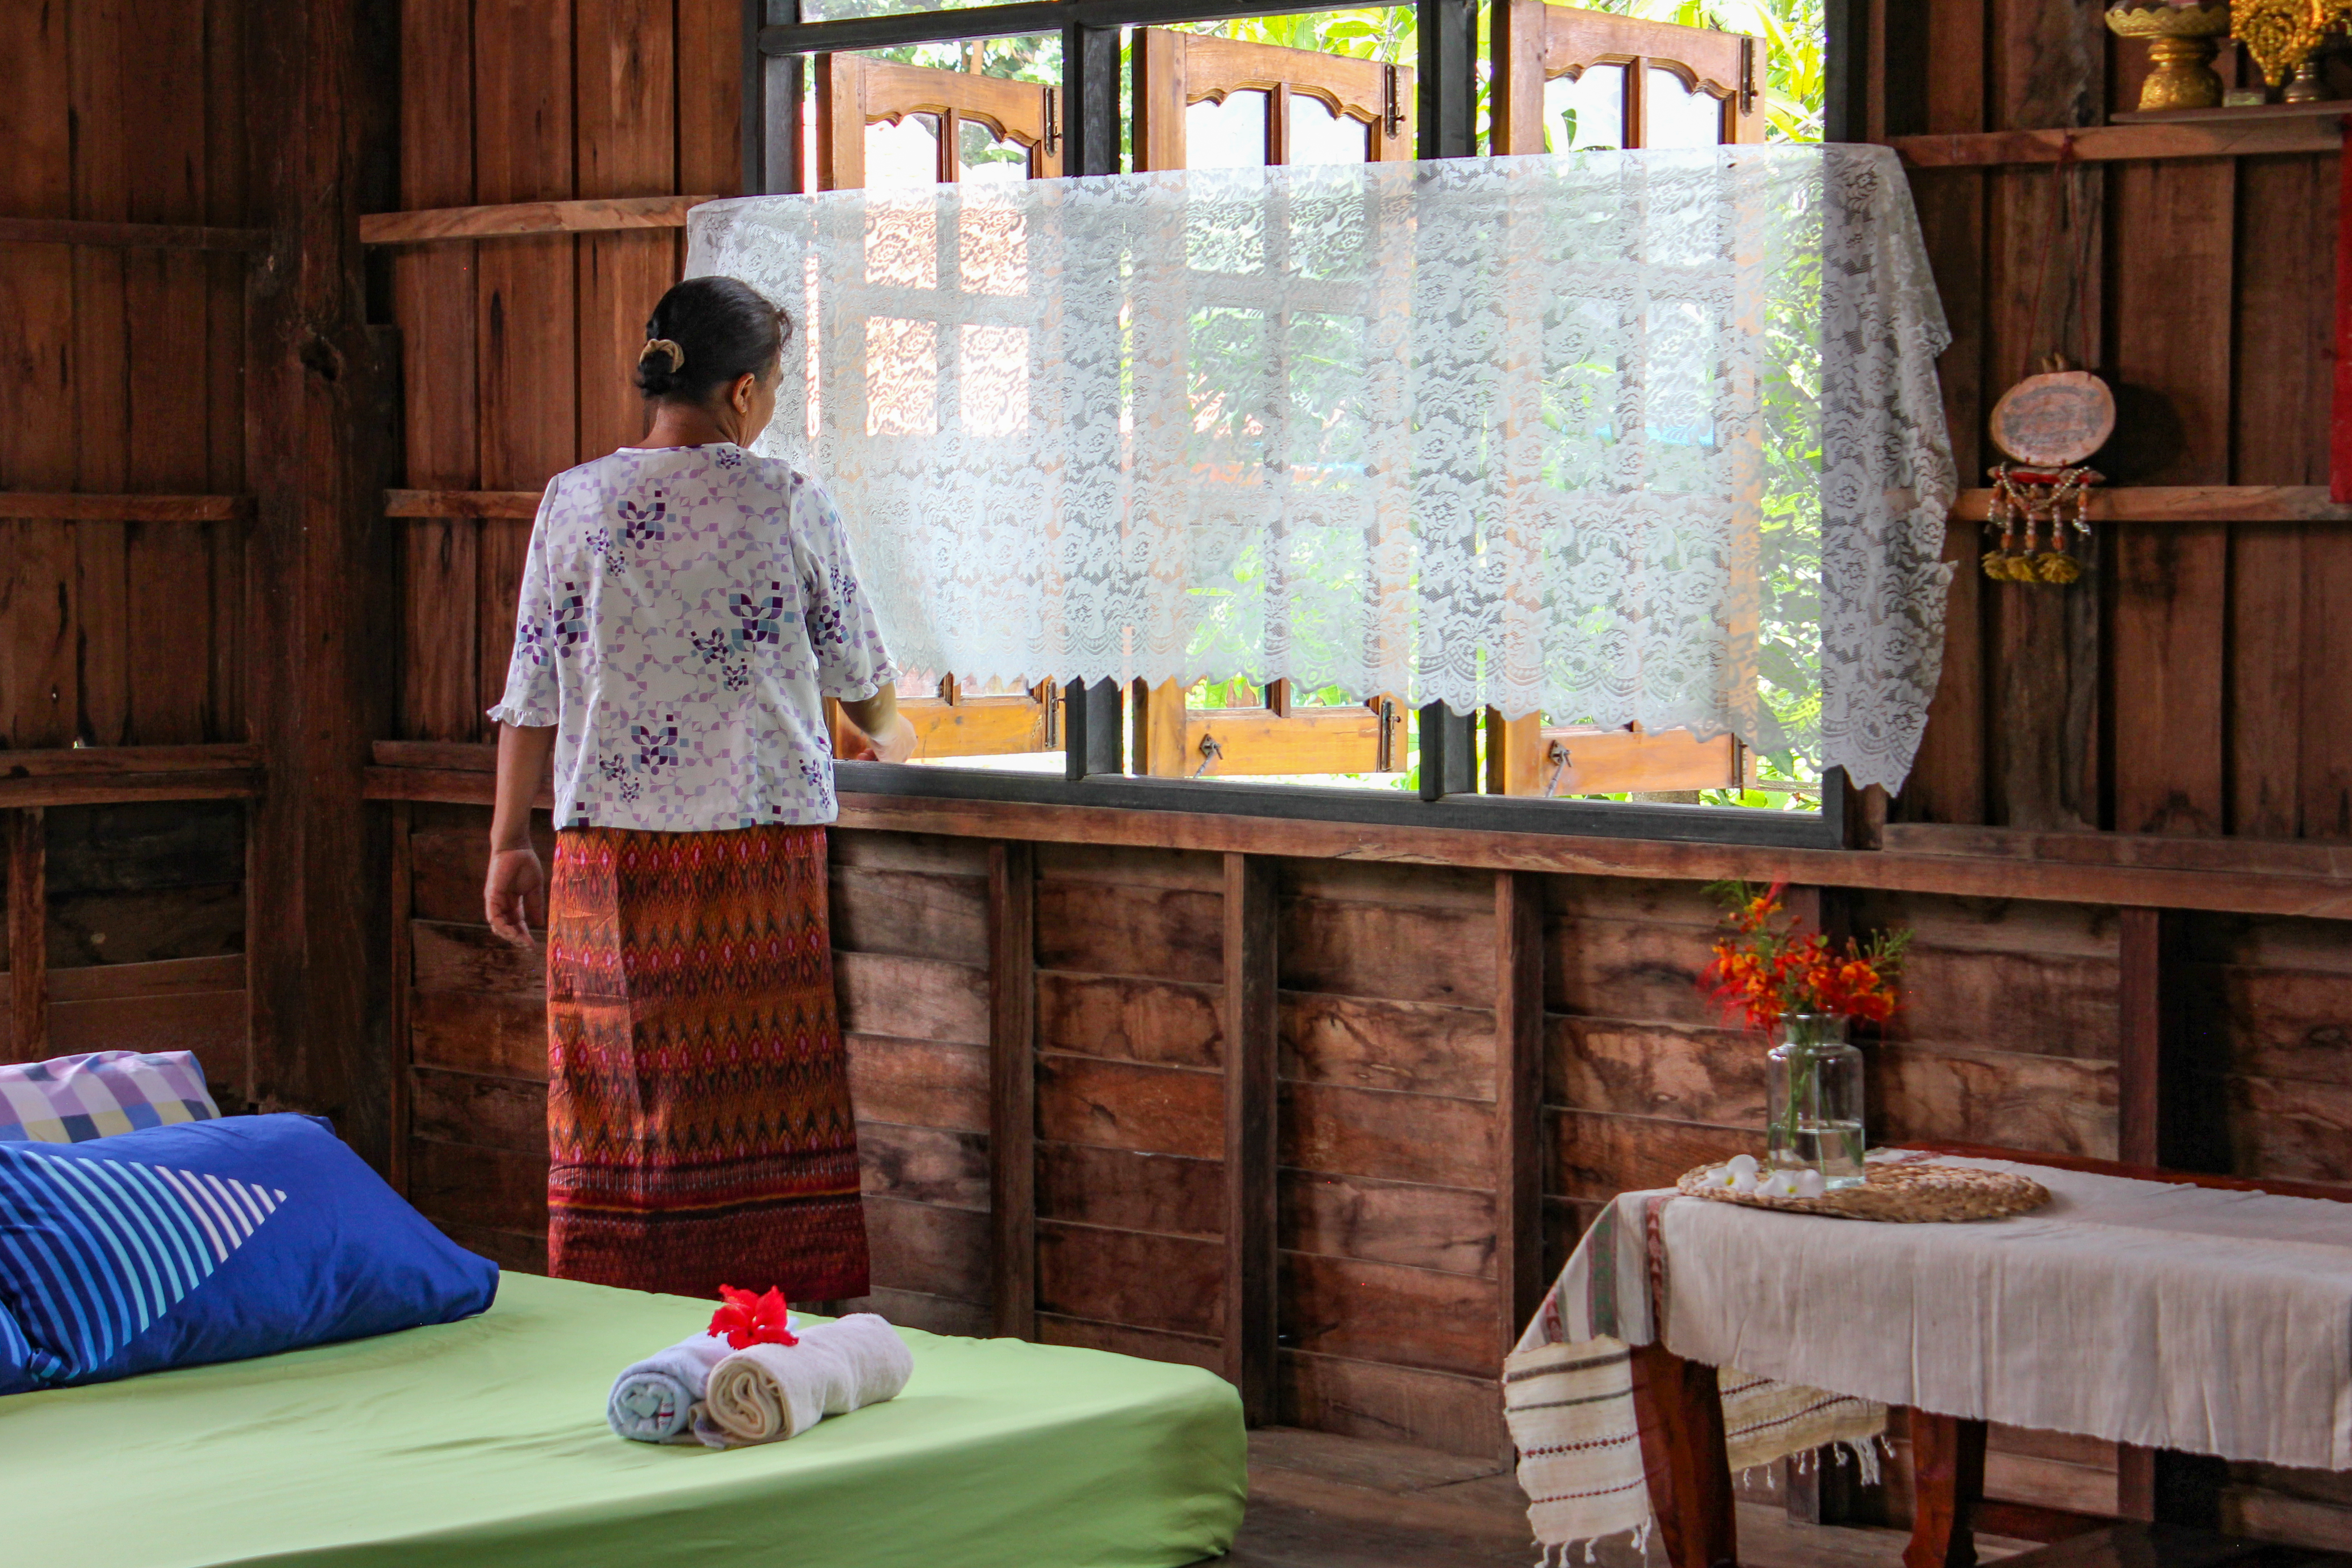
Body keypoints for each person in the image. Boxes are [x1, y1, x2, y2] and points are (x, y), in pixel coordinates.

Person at [481, 276, 916, 1303]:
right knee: (763, 1091)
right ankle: (773, 1313)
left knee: (611, 1097)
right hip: (757, 849)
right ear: (745, 393)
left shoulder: (574, 499)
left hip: (607, 855)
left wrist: (508, 839)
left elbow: (532, 689)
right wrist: (891, 733)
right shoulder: (786, 499)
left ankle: (610, 1303)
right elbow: (859, 675)